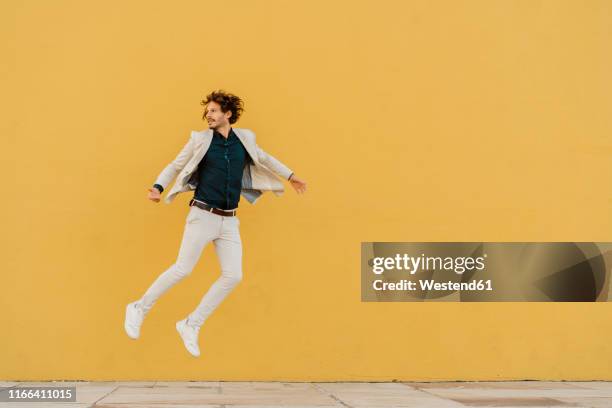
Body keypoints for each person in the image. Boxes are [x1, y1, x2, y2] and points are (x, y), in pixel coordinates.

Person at [124, 90, 307, 357]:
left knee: (233, 276)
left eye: (213, 111)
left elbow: (266, 159)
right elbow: (175, 166)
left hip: (230, 220)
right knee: (183, 269)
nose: (208, 115)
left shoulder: (245, 140)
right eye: (207, 111)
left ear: (227, 113)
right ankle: (139, 307)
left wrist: (291, 176)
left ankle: (190, 324)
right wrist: (157, 187)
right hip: (203, 215)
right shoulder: (200, 140)